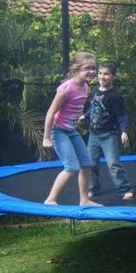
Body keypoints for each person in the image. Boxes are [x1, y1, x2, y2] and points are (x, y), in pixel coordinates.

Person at [42, 52, 101, 206]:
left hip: (71, 130)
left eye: (94, 68)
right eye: (87, 68)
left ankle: (84, 200)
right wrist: (46, 137)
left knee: (87, 164)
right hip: (58, 130)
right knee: (72, 167)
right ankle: (50, 199)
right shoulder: (66, 89)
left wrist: (79, 118)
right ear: (76, 69)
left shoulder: (85, 87)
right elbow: (51, 112)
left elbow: (77, 106)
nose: (92, 72)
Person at [86, 61, 134, 201]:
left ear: (113, 76)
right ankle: (92, 188)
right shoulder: (96, 91)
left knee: (113, 164)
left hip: (109, 135)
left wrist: (124, 132)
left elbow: (122, 115)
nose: (102, 77)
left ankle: (125, 188)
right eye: (100, 73)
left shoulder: (115, 96)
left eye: (106, 74)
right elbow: (94, 108)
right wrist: (85, 115)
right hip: (93, 134)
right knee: (91, 163)